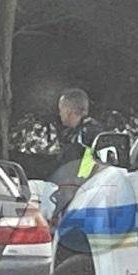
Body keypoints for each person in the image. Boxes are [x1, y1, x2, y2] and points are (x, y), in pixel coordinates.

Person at [50, 88, 105, 219]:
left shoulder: (85, 136)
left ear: (68, 110)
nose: (60, 114)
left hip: (81, 203)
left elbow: (81, 172)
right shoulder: (91, 132)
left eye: (60, 110)